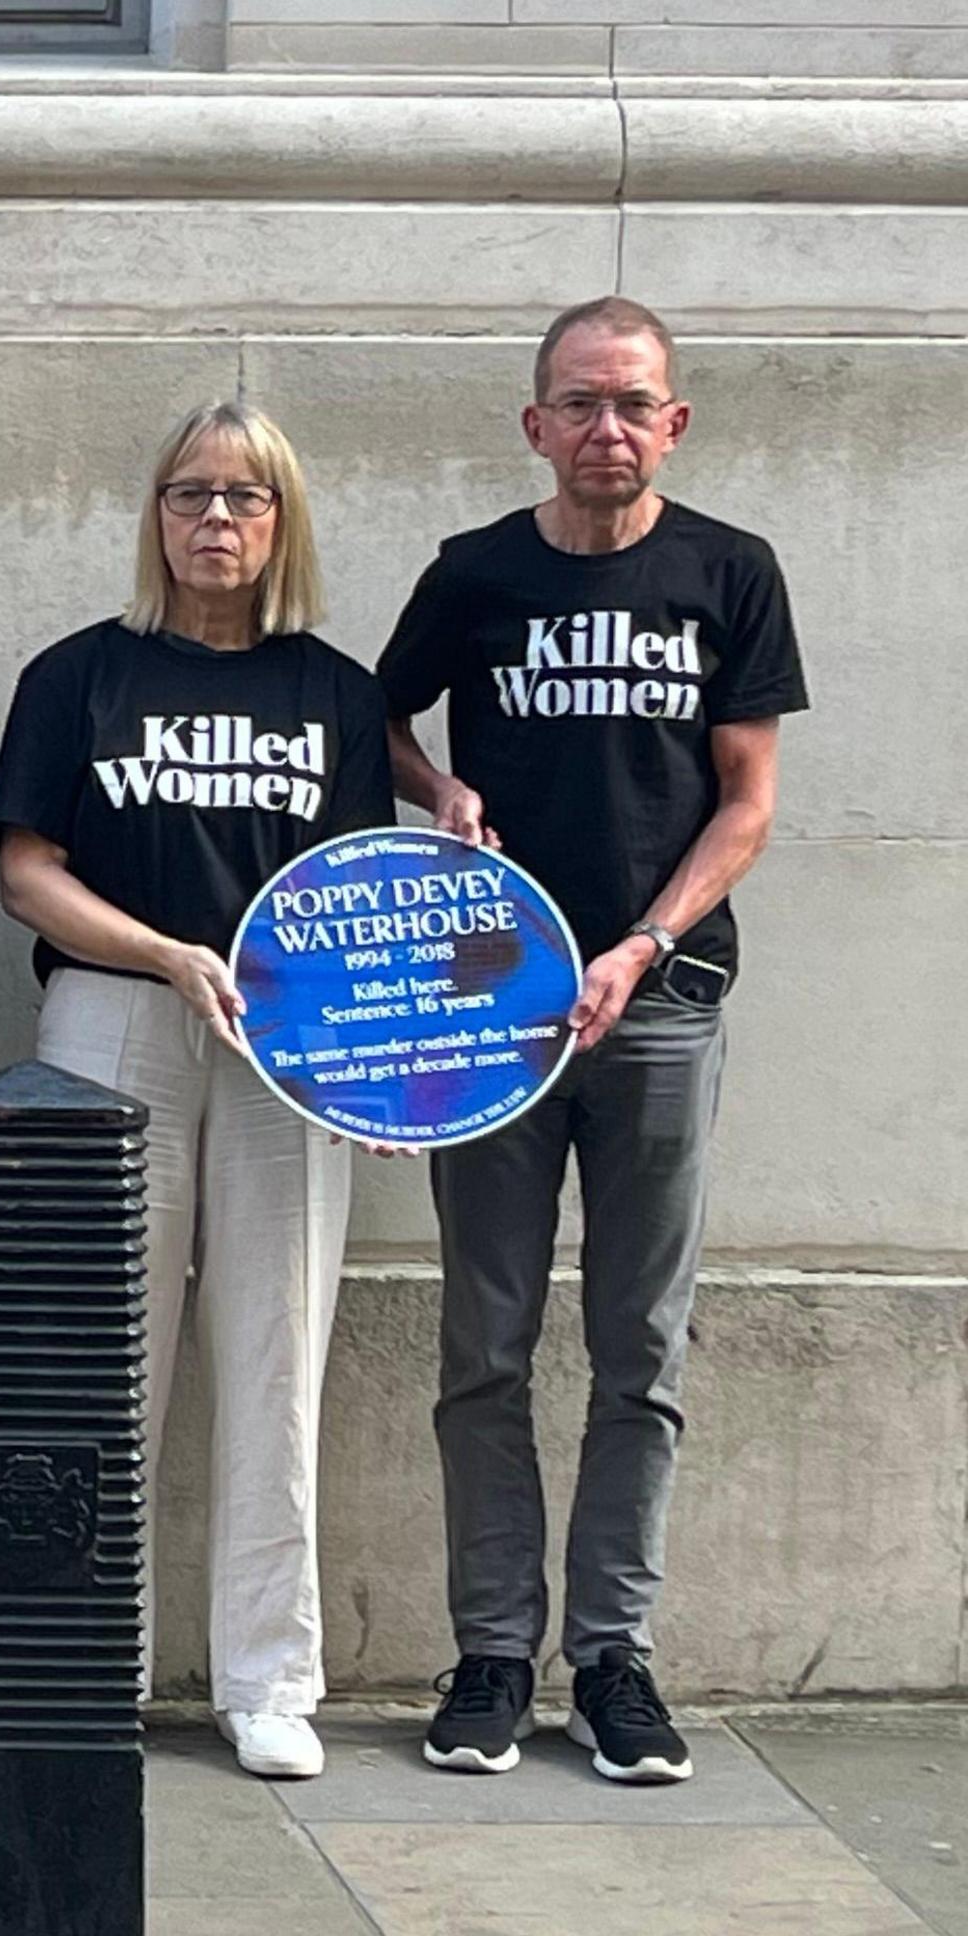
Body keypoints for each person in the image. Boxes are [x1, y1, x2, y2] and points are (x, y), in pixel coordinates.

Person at [381, 297, 807, 1786]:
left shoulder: (729, 573)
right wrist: (433, 792)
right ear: (536, 424)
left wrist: (646, 942)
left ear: (672, 424)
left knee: (643, 1346)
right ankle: (493, 1654)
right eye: (581, 404)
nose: (608, 429)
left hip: (663, 1006)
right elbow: (368, 717)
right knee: (483, 1345)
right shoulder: (474, 575)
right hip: (491, 1006)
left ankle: (613, 1661)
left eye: (634, 405)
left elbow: (747, 803)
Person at [0, 404, 392, 1781]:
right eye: (190, 495)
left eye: (247, 499)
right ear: (154, 514)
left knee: (278, 1355)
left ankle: (270, 1678)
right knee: (103, 1358)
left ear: (283, 522)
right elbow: (27, 871)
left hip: (283, 1048)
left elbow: (353, 901)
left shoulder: (336, 692)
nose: (217, 521)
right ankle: (88, 1665)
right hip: (114, 1017)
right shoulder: (79, 676)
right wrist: (161, 950)